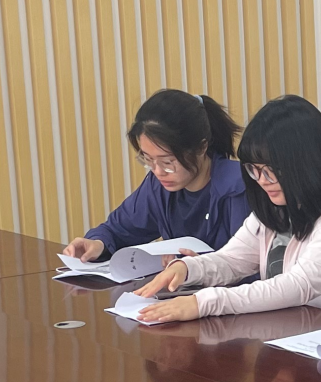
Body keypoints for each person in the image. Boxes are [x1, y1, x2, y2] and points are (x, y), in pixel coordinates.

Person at [131, 95, 321, 322]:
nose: (262, 181)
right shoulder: (280, 206)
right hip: (297, 337)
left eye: (271, 170)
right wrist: (187, 269)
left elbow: (298, 286)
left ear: (308, 164)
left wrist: (204, 303)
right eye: (255, 170)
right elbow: (232, 260)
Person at [63, 90, 249, 261]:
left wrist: (202, 268)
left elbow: (254, 267)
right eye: (148, 159)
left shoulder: (239, 188)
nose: (158, 171)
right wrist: (98, 243)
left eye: (168, 162)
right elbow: (119, 229)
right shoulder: (158, 186)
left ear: (201, 147)